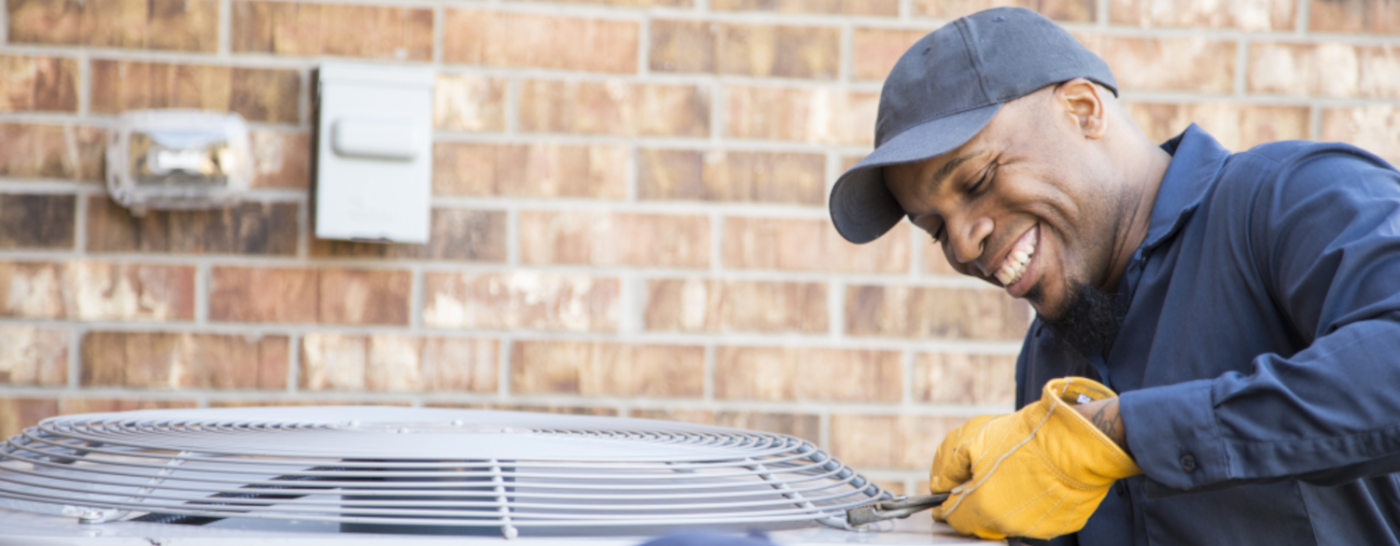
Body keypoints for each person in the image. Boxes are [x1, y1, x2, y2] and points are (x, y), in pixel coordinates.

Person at [829, 6, 1400, 545]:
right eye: (935, 229)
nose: (962, 243)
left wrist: (1120, 429)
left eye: (978, 181)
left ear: (1083, 110)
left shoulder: (1290, 197)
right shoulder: (1046, 356)